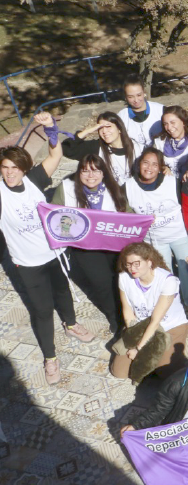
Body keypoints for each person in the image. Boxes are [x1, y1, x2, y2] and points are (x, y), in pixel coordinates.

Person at [0, 129, 93, 384]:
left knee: (63, 292)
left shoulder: (34, 180)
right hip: (28, 263)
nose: (9, 172)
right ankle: (50, 358)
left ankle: (71, 325)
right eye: (5, 167)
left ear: (24, 169)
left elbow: (55, 153)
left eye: (15, 168)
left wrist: (51, 131)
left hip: (54, 253)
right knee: (41, 310)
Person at [50, 154, 128, 334]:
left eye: (95, 170)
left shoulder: (113, 187)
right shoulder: (67, 188)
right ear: (79, 173)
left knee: (120, 279)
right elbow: (55, 214)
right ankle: (114, 317)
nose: (90, 175)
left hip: (113, 245)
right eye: (85, 171)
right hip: (85, 248)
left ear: (103, 173)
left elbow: (127, 212)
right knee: (101, 284)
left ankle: (127, 313)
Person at [124, 147, 188, 312]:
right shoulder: (128, 186)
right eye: (145, 163)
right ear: (138, 164)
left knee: (186, 269)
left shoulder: (172, 182)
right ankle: (171, 304)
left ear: (160, 168)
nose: (149, 168)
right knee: (164, 274)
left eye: (154, 164)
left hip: (179, 234)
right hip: (154, 239)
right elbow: (126, 214)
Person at [111, 242, 188, 380]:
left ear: (149, 262)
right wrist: (132, 337)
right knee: (119, 372)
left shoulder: (168, 281)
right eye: (128, 264)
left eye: (136, 263)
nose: (132, 269)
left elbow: (155, 321)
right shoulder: (124, 278)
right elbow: (128, 312)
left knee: (163, 373)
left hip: (169, 326)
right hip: (141, 325)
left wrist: (138, 348)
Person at [59, 111, 144, 182]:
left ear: (119, 129)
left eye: (108, 126)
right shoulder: (97, 147)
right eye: (100, 128)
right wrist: (86, 131)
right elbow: (66, 149)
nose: (104, 131)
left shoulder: (139, 148)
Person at [152, 105, 188, 175]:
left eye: (173, 122)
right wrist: (163, 167)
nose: (169, 127)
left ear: (183, 122)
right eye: (165, 124)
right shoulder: (159, 143)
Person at [116, 75, 164, 147]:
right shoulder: (121, 117)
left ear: (144, 92)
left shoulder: (161, 110)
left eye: (139, 95)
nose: (136, 100)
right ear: (125, 97)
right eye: (130, 97)